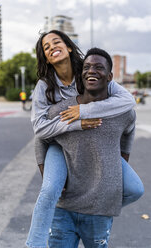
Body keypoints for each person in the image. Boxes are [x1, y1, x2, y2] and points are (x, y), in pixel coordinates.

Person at [26, 31, 143, 248]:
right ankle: (34, 244)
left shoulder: (88, 69)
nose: (52, 47)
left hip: (95, 143)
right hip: (59, 143)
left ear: (69, 46)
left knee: (135, 189)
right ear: (45, 56)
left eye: (56, 42)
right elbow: (40, 131)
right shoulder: (45, 85)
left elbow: (128, 103)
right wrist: (76, 122)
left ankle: (94, 206)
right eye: (46, 47)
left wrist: (85, 111)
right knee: (50, 189)